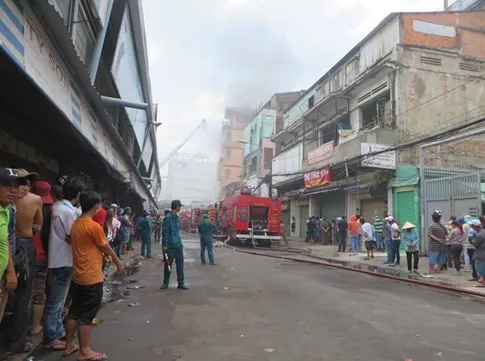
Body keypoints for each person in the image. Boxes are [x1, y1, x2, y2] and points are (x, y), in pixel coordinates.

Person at [63, 191, 123, 360]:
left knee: (74, 311)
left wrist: (104, 255)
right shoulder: (93, 226)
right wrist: (118, 262)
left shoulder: (77, 224)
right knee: (87, 314)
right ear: (96, 206)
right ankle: (85, 351)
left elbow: (89, 246)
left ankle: (68, 346)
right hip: (91, 276)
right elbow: (106, 246)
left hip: (78, 275)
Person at [43, 179, 85, 351]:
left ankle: (58, 329)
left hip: (60, 257)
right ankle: (51, 337)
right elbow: (71, 236)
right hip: (64, 259)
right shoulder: (67, 212)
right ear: (78, 194)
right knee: (56, 300)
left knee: (58, 299)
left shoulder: (61, 208)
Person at [10, 169, 41, 354]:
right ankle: (17, 342)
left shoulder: (9, 203)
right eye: (23, 183)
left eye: (28, 183)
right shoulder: (34, 200)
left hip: (14, 246)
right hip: (23, 246)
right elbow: (38, 225)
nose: (25, 187)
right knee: (23, 294)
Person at [30, 181, 54, 336]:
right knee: (39, 292)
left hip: (24, 255)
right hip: (43, 256)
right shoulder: (52, 211)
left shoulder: (21, 207)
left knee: (24, 292)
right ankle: (34, 326)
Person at [161, 200, 189, 290]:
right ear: (176, 207)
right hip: (170, 245)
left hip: (178, 245)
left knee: (180, 264)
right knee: (168, 265)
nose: (180, 208)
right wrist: (164, 245)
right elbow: (165, 232)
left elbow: (177, 232)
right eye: (180, 206)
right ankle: (165, 282)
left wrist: (180, 243)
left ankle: (181, 282)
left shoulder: (177, 217)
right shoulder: (167, 218)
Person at [469, 219, 485, 287]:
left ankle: (483, 282)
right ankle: (483, 280)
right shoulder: (483, 231)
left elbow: (476, 244)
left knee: (481, 267)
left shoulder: (479, 235)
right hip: (482, 252)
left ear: (475, 226)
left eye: (472, 226)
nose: (472, 228)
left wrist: (471, 240)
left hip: (481, 253)